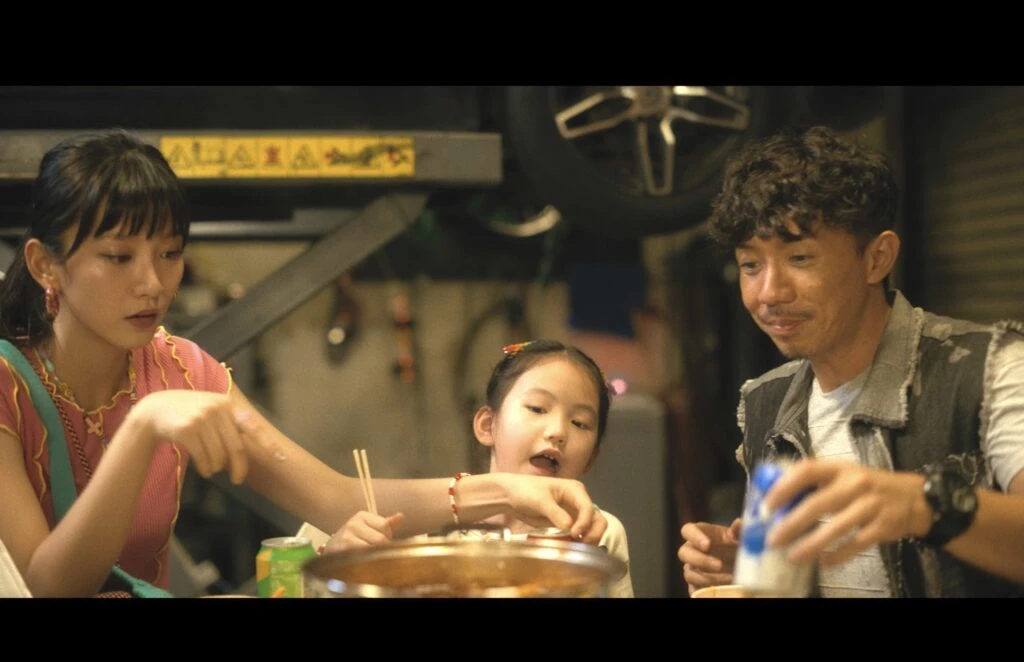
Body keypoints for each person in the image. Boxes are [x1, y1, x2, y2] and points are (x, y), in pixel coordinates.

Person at [0, 130, 606, 598]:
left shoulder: (181, 369)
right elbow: (47, 586)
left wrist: (507, 492)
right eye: (118, 256)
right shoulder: (9, 387)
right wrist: (143, 427)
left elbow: (337, 499)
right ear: (44, 264)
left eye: (170, 253)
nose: (153, 283)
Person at [678, 125, 1024, 598]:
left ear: (877, 258)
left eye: (800, 258)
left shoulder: (987, 369)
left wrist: (925, 505)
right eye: (750, 265)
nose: (769, 294)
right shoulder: (765, 402)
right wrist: (746, 569)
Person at [325, 339, 634, 597]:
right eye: (537, 408)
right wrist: (338, 566)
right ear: (488, 426)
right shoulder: (423, 526)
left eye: (580, 422)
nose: (558, 431)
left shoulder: (599, 533)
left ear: (592, 457)